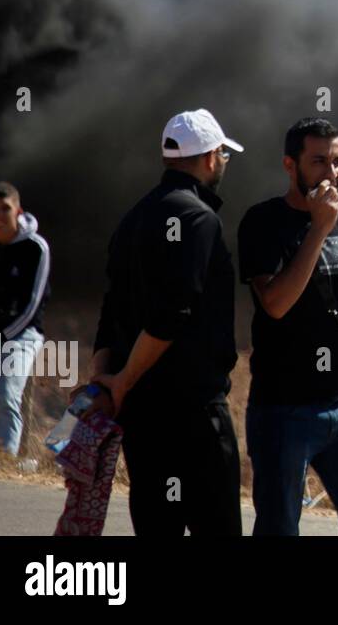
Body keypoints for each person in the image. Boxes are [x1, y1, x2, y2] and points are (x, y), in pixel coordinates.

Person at [87, 109, 244, 535]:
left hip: (142, 418)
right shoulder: (198, 218)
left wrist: (104, 379)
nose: (224, 164)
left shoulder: (132, 219)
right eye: (223, 156)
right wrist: (120, 382)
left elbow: (112, 310)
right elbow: (173, 314)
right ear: (211, 158)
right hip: (192, 416)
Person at [238, 116, 338, 535]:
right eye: (319, 161)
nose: (332, 173)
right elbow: (276, 303)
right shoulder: (263, 221)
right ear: (291, 165)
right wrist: (318, 229)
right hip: (284, 408)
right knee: (279, 527)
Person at [0, 182, 49, 458]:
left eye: (5, 209)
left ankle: (6, 460)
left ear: (17, 211)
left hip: (22, 334)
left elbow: (31, 307)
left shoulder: (35, 248)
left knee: (7, 393)